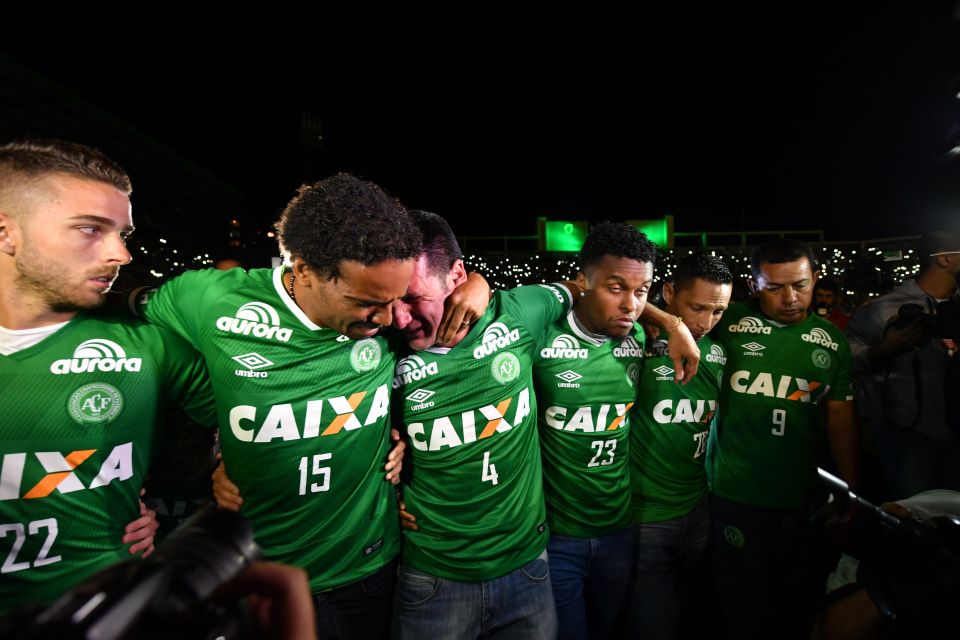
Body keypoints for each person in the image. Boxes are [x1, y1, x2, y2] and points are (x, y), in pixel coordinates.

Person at [133, 173, 426, 640]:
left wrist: (477, 284)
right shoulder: (212, 300)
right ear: (304, 269)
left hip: (369, 568)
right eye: (368, 303)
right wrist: (215, 444)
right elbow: (133, 326)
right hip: (256, 575)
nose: (391, 318)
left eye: (396, 299)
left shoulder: (391, 322)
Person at [0, 139, 215, 614]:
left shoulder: (148, 345)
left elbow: (251, 421)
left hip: (115, 605)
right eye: (90, 230)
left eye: (122, 233)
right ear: (5, 232)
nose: (120, 253)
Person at [707, 238, 858, 639]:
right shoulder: (726, 320)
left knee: (794, 604)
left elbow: (840, 421)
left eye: (800, 285)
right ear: (755, 285)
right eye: (775, 288)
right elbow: (671, 312)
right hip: (734, 493)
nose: (790, 298)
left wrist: (851, 490)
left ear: (815, 279)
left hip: (801, 498)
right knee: (739, 606)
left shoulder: (832, 340)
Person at [532, 221, 656, 640]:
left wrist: (673, 326)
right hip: (556, 534)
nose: (631, 305)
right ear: (582, 281)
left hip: (619, 529)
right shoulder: (542, 336)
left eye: (641, 292)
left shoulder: (637, 336)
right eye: (616, 288)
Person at [629, 251, 733, 640]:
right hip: (647, 514)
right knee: (656, 621)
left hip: (700, 507)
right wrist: (664, 321)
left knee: (690, 608)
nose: (706, 323)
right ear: (669, 292)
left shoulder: (721, 351)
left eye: (718, 311)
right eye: (697, 308)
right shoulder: (632, 341)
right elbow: (589, 293)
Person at [845, 230, 960, 499]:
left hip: (956, 436)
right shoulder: (885, 310)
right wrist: (883, 351)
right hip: (908, 439)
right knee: (916, 518)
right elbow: (843, 359)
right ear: (942, 259)